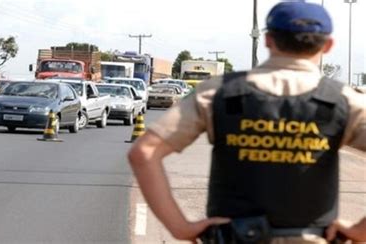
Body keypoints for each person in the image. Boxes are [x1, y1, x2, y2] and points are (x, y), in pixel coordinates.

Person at [128, 1, 366, 243]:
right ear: (328, 45)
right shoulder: (346, 101)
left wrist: (180, 227)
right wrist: (361, 230)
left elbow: (144, 152)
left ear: (268, 40)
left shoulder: (219, 91)